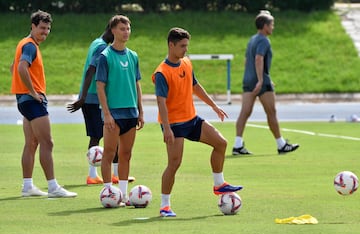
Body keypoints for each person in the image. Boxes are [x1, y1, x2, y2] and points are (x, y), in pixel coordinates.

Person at [152, 27, 243, 217]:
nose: (186, 49)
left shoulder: (186, 62)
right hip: (174, 125)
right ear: (171, 45)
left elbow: (195, 86)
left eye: (187, 45)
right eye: (182, 46)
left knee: (221, 143)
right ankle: (164, 206)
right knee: (174, 164)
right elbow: (160, 102)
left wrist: (214, 106)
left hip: (191, 120)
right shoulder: (162, 72)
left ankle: (219, 184)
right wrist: (166, 128)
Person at [10, 10, 77, 198]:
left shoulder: (24, 44)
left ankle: (27, 186)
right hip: (32, 100)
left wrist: (23, 89)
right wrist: (32, 92)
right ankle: (53, 186)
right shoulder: (30, 46)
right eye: (42, 28)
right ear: (32, 26)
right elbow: (22, 67)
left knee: (31, 143)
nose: (45, 32)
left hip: (23, 100)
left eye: (48, 29)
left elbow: (13, 67)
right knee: (48, 142)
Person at [67, 23, 135, 185]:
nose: (123, 34)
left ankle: (115, 174)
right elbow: (91, 70)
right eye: (120, 30)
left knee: (109, 136)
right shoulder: (101, 48)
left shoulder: (96, 42)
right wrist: (83, 97)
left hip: (93, 97)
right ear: (111, 31)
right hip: (92, 98)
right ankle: (93, 175)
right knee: (97, 136)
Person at [232, 10, 300, 156]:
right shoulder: (264, 40)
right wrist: (262, 80)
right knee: (272, 113)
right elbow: (258, 58)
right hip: (260, 82)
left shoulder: (252, 39)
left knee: (244, 113)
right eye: (271, 24)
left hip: (248, 80)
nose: (273, 27)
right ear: (264, 26)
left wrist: (255, 77)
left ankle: (237, 145)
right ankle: (281, 144)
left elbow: (246, 61)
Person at [96, 15, 144, 205]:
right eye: (122, 28)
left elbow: (137, 84)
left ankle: (123, 195)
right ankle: (108, 192)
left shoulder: (133, 56)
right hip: (113, 113)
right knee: (109, 153)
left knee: (126, 154)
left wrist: (140, 111)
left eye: (128, 28)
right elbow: (100, 86)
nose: (126, 32)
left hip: (131, 112)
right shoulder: (105, 56)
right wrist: (106, 114)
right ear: (113, 30)